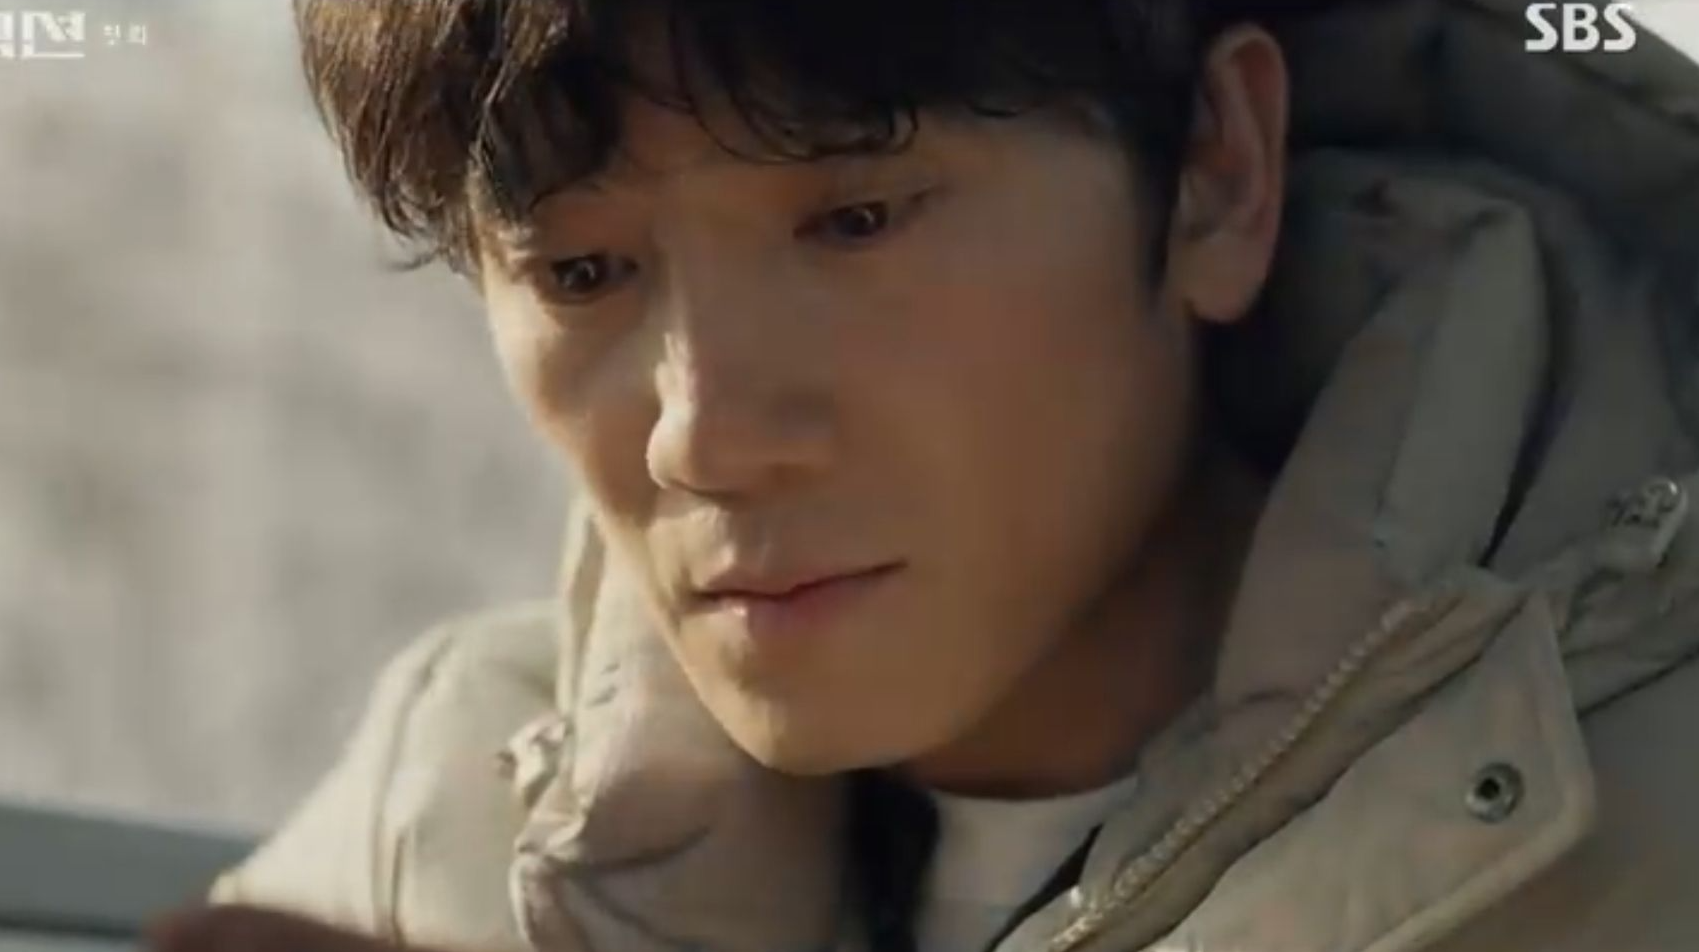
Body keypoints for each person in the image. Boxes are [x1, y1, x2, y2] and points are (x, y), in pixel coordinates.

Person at [150, 1, 1699, 950]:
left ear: (1214, 176)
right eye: (580, 273)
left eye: (857, 221)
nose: (704, 434)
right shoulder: (442, 809)